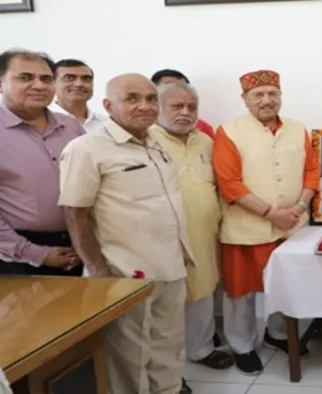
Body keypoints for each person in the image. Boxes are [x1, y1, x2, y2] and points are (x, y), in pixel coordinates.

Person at [59, 73, 194, 394]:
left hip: (171, 266)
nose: (145, 106)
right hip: (125, 274)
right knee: (129, 358)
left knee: (168, 348)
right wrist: (98, 271)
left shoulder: (157, 140)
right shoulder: (86, 148)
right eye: (132, 99)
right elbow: (75, 213)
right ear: (108, 105)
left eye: (150, 99)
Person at [213, 69, 320, 374]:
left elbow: (311, 172)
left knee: (287, 285)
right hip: (246, 227)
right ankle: (242, 345)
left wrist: (299, 206)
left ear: (281, 96)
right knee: (241, 291)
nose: (267, 99)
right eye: (258, 95)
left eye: (273, 93)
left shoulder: (298, 129)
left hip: (294, 226)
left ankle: (279, 334)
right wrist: (272, 213)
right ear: (245, 99)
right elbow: (229, 183)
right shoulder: (229, 131)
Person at [150, 82, 233, 393]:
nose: (185, 113)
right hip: (163, 239)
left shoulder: (206, 141)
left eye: (191, 107)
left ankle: (200, 350)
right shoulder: (145, 140)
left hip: (204, 233)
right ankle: (169, 374)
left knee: (202, 294)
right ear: (158, 107)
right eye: (176, 106)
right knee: (166, 308)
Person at [0, 49, 84, 276]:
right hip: (17, 256)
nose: (39, 85)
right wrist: (35, 253)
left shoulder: (71, 126)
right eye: (25, 78)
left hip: (80, 244)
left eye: (46, 79)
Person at [151, 69, 215, 139]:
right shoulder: (143, 128)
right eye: (168, 86)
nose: (185, 113)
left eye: (181, 87)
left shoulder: (202, 129)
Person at [48, 59, 107, 132]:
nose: (79, 84)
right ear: (52, 83)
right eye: (70, 78)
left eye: (86, 78)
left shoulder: (107, 124)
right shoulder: (42, 122)